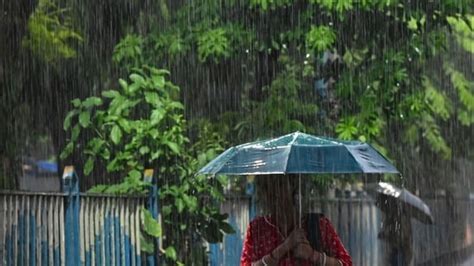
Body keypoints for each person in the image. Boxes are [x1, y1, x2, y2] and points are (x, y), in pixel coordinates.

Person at [240, 175, 352, 266]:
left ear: (293, 189)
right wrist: (284, 247)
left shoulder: (319, 225)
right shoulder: (257, 228)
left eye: (280, 186)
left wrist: (312, 255)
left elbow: (346, 263)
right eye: (268, 188)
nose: (274, 194)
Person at [377, 197, 413, 266]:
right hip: (398, 250)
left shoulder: (402, 218)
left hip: (401, 251)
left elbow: (403, 235)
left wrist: (387, 235)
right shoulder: (394, 218)